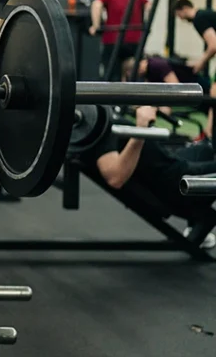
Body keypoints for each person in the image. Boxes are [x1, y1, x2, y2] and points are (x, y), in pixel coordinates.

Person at [88, 105, 216, 249]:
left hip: (171, 162)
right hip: (174, 179)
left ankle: (199, 218)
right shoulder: (98, 129)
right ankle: (199, 214)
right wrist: (141, 129)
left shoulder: (97, 117)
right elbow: (115, 178)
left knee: (204, 150)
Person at [90, 0, 148, 78]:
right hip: (134, 40)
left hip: (112, 40)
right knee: (135, 73)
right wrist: (145, 24)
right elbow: (149, 6)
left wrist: (95, 26)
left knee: (112, 74)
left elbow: (96, 4)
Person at [173, 0, 216, 75]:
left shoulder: (199, 19)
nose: (181, 19)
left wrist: (200, 63)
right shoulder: (204, 14)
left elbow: (213, 46)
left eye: (179, 15)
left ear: (185, 8)